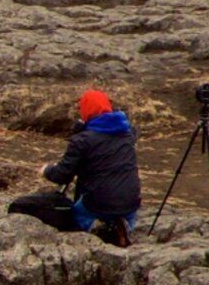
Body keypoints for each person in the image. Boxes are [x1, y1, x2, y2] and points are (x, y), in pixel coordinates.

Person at [9, 88, 140, 244]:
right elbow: (106, 140)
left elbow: (62, 175)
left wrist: (46, 170)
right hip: (131, 203)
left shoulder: (82, 141)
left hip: (98, 204)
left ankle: (97, 230)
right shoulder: (127, 134)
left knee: (74, 219)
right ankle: (119, 226)